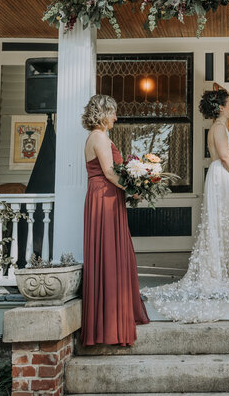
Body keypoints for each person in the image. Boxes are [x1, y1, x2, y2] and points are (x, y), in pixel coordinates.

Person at [142, 89, 229, 323]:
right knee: (221, 220)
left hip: (218, 175)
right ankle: (220, 272)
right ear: (221, 107)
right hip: (222, 175)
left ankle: (222, 268)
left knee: (221, 221)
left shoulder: (215, 128)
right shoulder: (220, 128)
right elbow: (225, 157)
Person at [81, 94, 149, 346]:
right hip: (104, 198)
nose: (116, 118)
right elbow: (109, 172)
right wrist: (133, 189)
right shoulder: (98, 137)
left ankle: (114, 317)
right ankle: (110, 325)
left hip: (107, 197)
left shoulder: (99, 136)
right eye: (113, 113)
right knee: (109, 252)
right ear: (103, 113)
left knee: (113, 252)